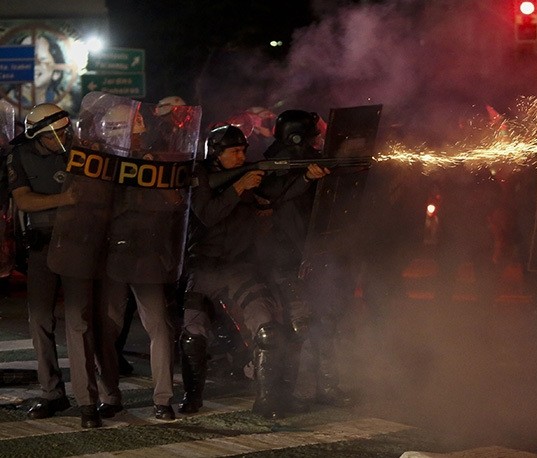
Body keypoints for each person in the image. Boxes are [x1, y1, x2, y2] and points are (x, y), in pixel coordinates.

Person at [180, 124, 328, 419]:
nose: (240, 156)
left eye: (243, 151)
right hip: (204, 267)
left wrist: (307, 178)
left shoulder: (248, 176)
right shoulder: (199, 175)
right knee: (193, 333)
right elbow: (207, 214)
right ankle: (192, 397)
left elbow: (278, 195)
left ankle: (267, 400)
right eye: (234, 152)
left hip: (240, 268)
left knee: (267, 330)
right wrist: (238, 187)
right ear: (216, 153)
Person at [6, 103, 102, 428]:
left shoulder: (82, 151)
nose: (62, 139)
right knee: (39, 320)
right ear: (36, 135)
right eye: (54, 135)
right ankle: (52, 393)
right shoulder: (19, 156)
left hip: (77, 243)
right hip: (42, 244)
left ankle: (87, 401)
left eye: (65, 131)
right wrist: (65, 199)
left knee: (78, 322)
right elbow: (23, 200)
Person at [92, 102, 184, 421]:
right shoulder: (103, 165)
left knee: (159, 325)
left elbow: (177, 202)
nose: (137, 135)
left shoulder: (153, 160)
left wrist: (153, 172)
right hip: (113, 254)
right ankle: (109, 395)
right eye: (133, 129)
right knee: (107, 328)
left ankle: (163, 399)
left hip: (146, 253)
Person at [256, 109, 352, 407]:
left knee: (327, 319)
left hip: (313, 253)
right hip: (284, 258)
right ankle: (282, 393)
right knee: (294, 326)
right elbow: (272, 194)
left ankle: (327, 387)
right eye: (311, 138)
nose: (316, 143)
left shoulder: (306, 160)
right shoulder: (272, 164)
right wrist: (305, 179)